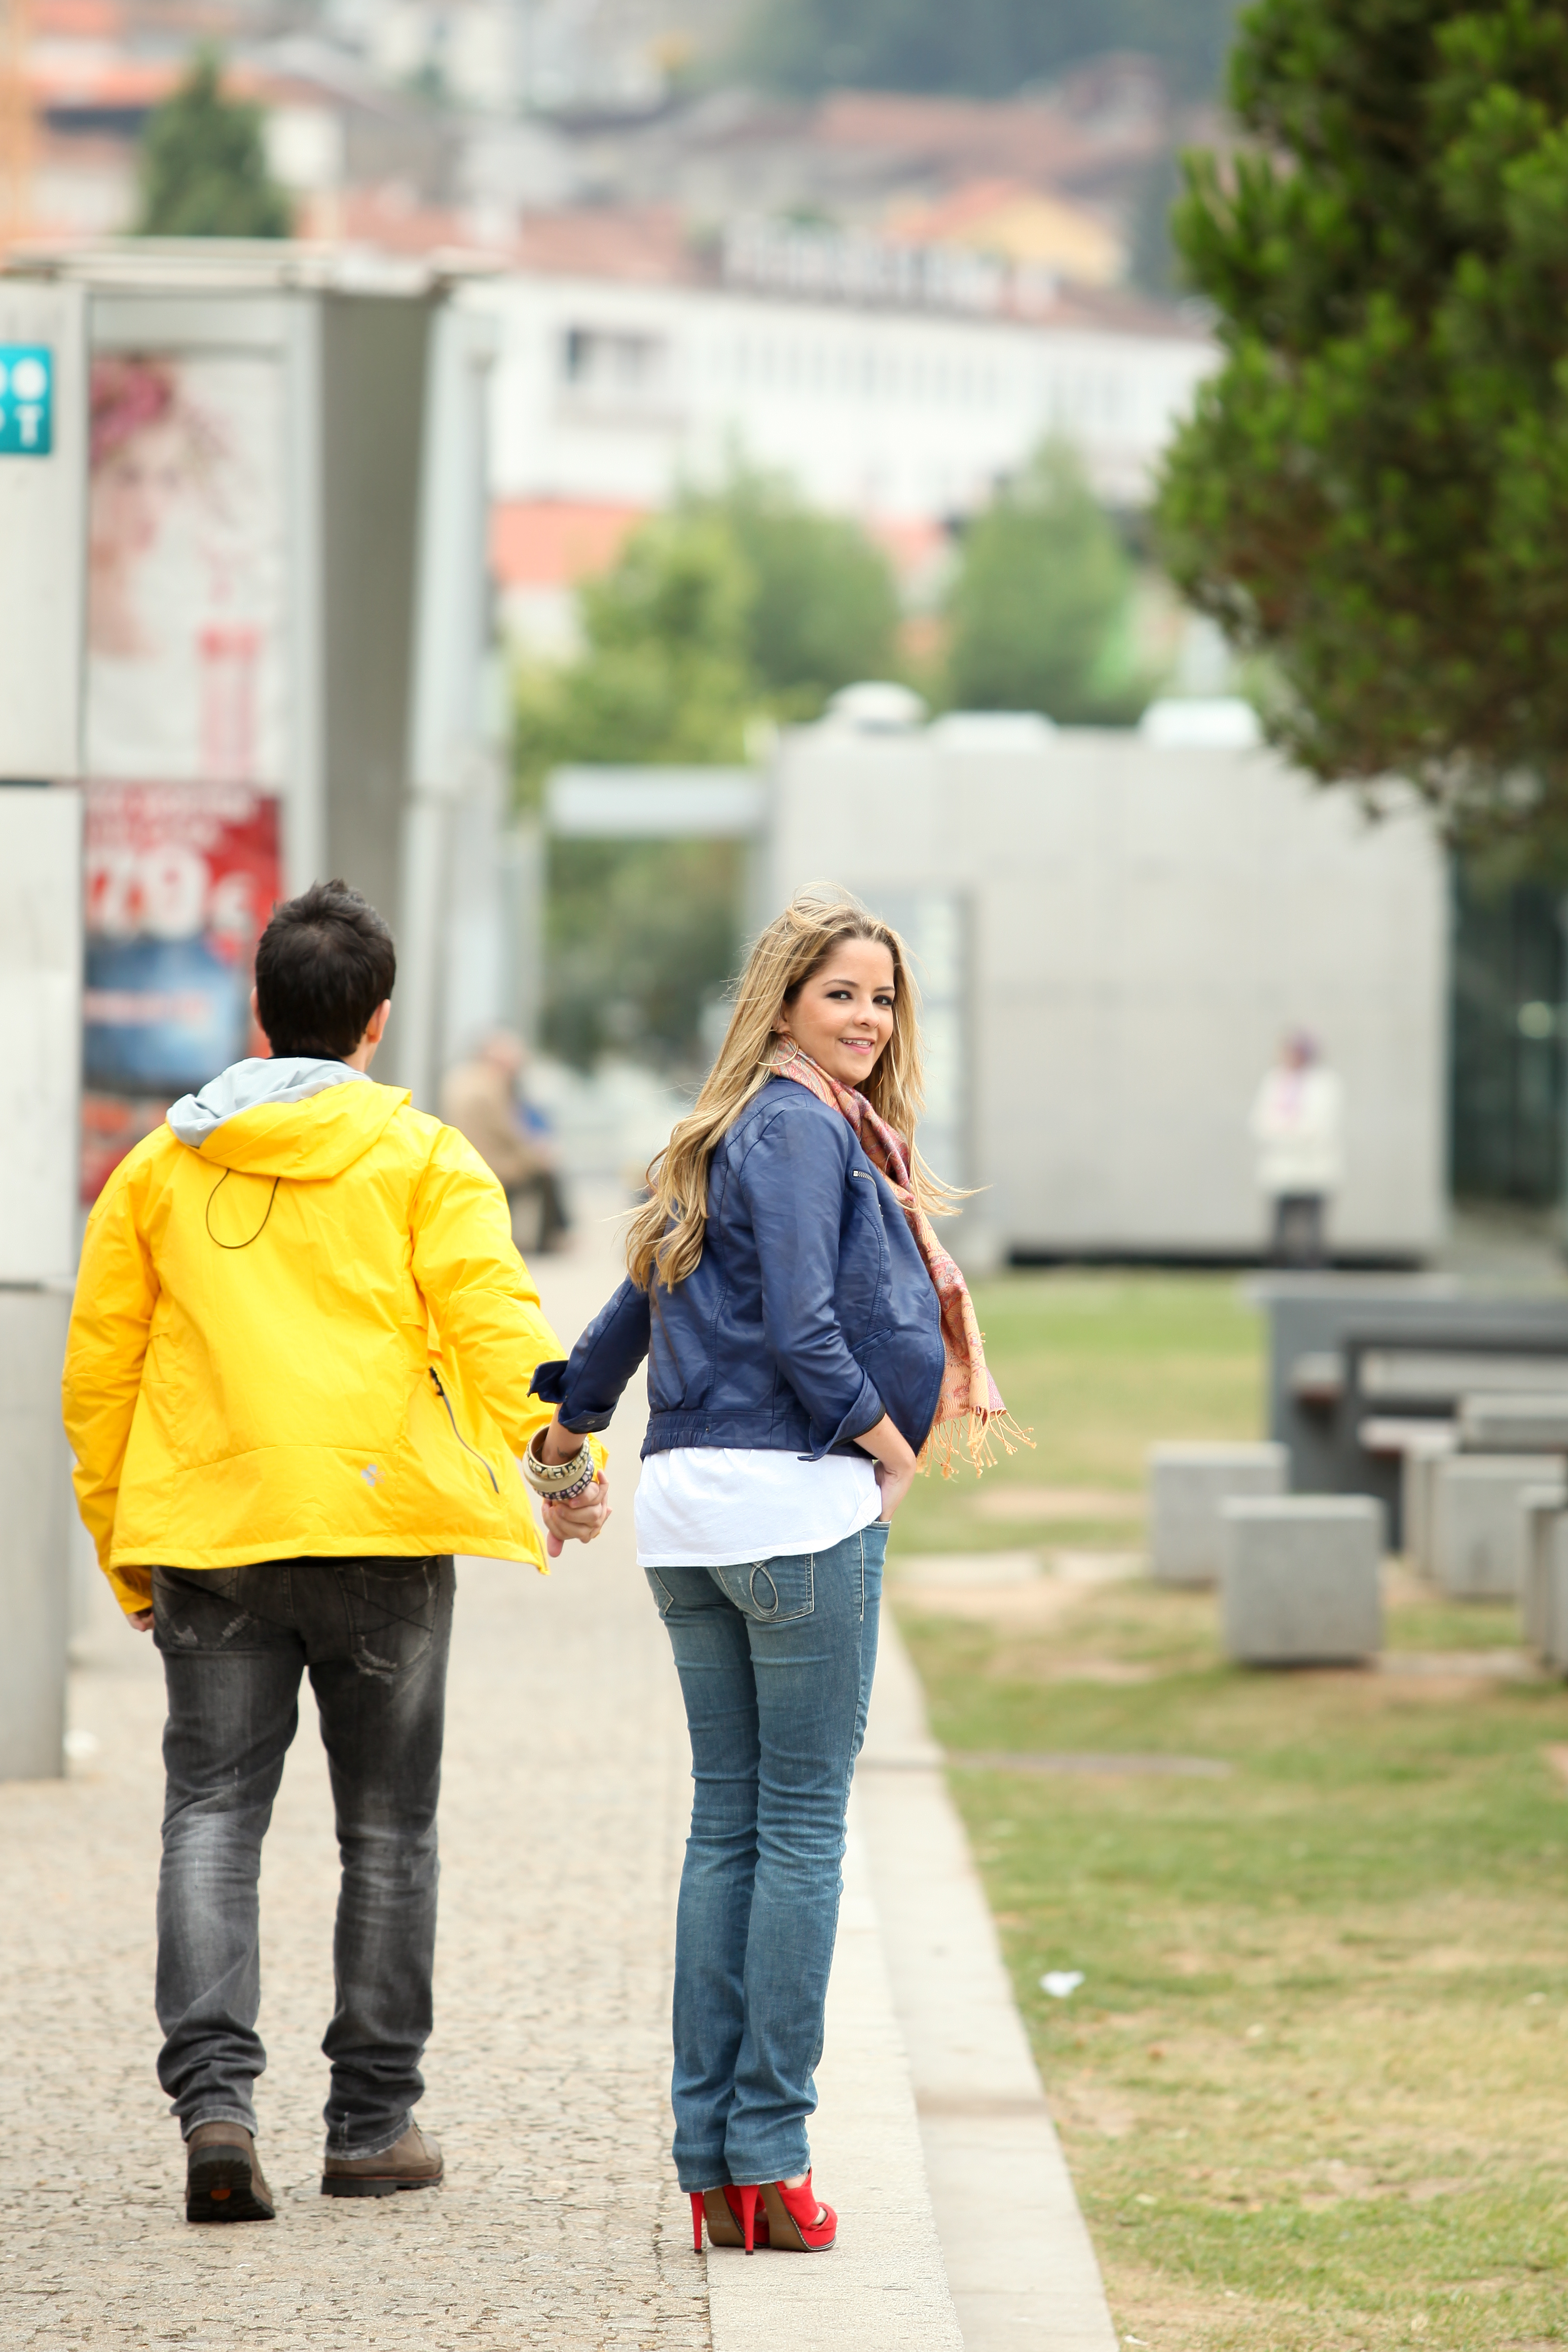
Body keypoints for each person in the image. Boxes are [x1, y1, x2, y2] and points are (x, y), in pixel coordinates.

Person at [61, 880, 610, 2227]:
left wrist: (123, 1546)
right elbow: (497, 1324)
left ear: (257, 1012)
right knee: (389, 1834)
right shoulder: (423, 1158)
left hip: (212, 1536)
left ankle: (216, 2109)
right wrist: (563, 1458)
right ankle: (369, 2125)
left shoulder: (160, 1166)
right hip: (382, 1537)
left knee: (211, 1819)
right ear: (376, 1022)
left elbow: (102, 1375)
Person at [527, 887, 1022, 2257]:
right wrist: (888, 1446)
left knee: (729, 1828)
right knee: (797, 1831)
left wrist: (565, 1439)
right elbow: (807, 1325)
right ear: (783, 1003)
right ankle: (772, 2159)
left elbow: (629, 1306)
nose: (866, 1020)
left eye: (880, 997)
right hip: (789, 1507)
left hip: (691, 1515)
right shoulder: (805, 1129)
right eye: (839, 995)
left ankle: (714, 2166)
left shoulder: (726, 1130)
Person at [440, 1029, 571, 1255]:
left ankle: (555, 1234)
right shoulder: (493, 1083)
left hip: (466, 1157)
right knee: (546, 1172)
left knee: (542, 1165)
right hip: (495, 1163)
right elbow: (509, 1131)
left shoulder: (459, 1078)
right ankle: (551, 1238)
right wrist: (538, 1154)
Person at [1250, 1029, 1345, 1268]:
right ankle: (1280, 1265)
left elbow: (1320, 1126)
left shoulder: (1324, 1084)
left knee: (1312, 1225)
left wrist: (1290, 1132)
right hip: (1281, 1164)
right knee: (1281, 1225)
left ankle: (1312, 1268)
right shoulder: (1275, 1080)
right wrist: (1285, 1132)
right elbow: (1262, 1121)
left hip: (1313, 1165)